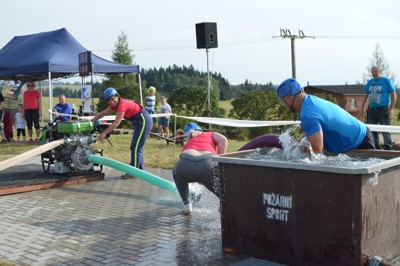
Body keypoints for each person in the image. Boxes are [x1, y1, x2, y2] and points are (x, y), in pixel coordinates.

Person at [277, 78, 375, 154]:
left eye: (283, 101)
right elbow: (313, 130)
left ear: (289, 99)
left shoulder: (309, 114)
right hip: (360, 136)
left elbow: (317, 152)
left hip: (361, 142)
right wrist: (298, 143)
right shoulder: (309, 101)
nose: (284, 105)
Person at [91, 87, 153, 178]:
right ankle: (140, 171)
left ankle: (134, 173)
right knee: (137, 147)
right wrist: (91, 121)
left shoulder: (121, 105)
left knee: (135, 148)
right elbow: (103, 113)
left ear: (117, 96)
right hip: (139, 122)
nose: (111, 102)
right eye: (108, 100)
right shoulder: (115, 104)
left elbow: (116, 123)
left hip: (143, 121)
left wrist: (104, 133)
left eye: (112, 99)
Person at [172, 122, 228, 215]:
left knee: (176, 174)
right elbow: (223, 139)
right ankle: (226, 205)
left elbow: (188, 163)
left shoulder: (189, 143)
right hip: (206, 165)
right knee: (223, 193)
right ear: (201, 131)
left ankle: (187, 205)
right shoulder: (209, 134)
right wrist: (220, 159)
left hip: (184, 165)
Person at [361, 66, 397, 150]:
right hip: (372, 110)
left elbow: (393, 95)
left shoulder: (386, 81)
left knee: (386, 131)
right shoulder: (370, 82)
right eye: (372, 72)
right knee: (373, 131)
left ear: (380, 71)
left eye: (375, 72)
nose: (374, 73)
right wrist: (362, 108)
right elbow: (366, 95)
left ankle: (388, 149)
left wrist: (391, 109)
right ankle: (376, 149)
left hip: (384, 109)